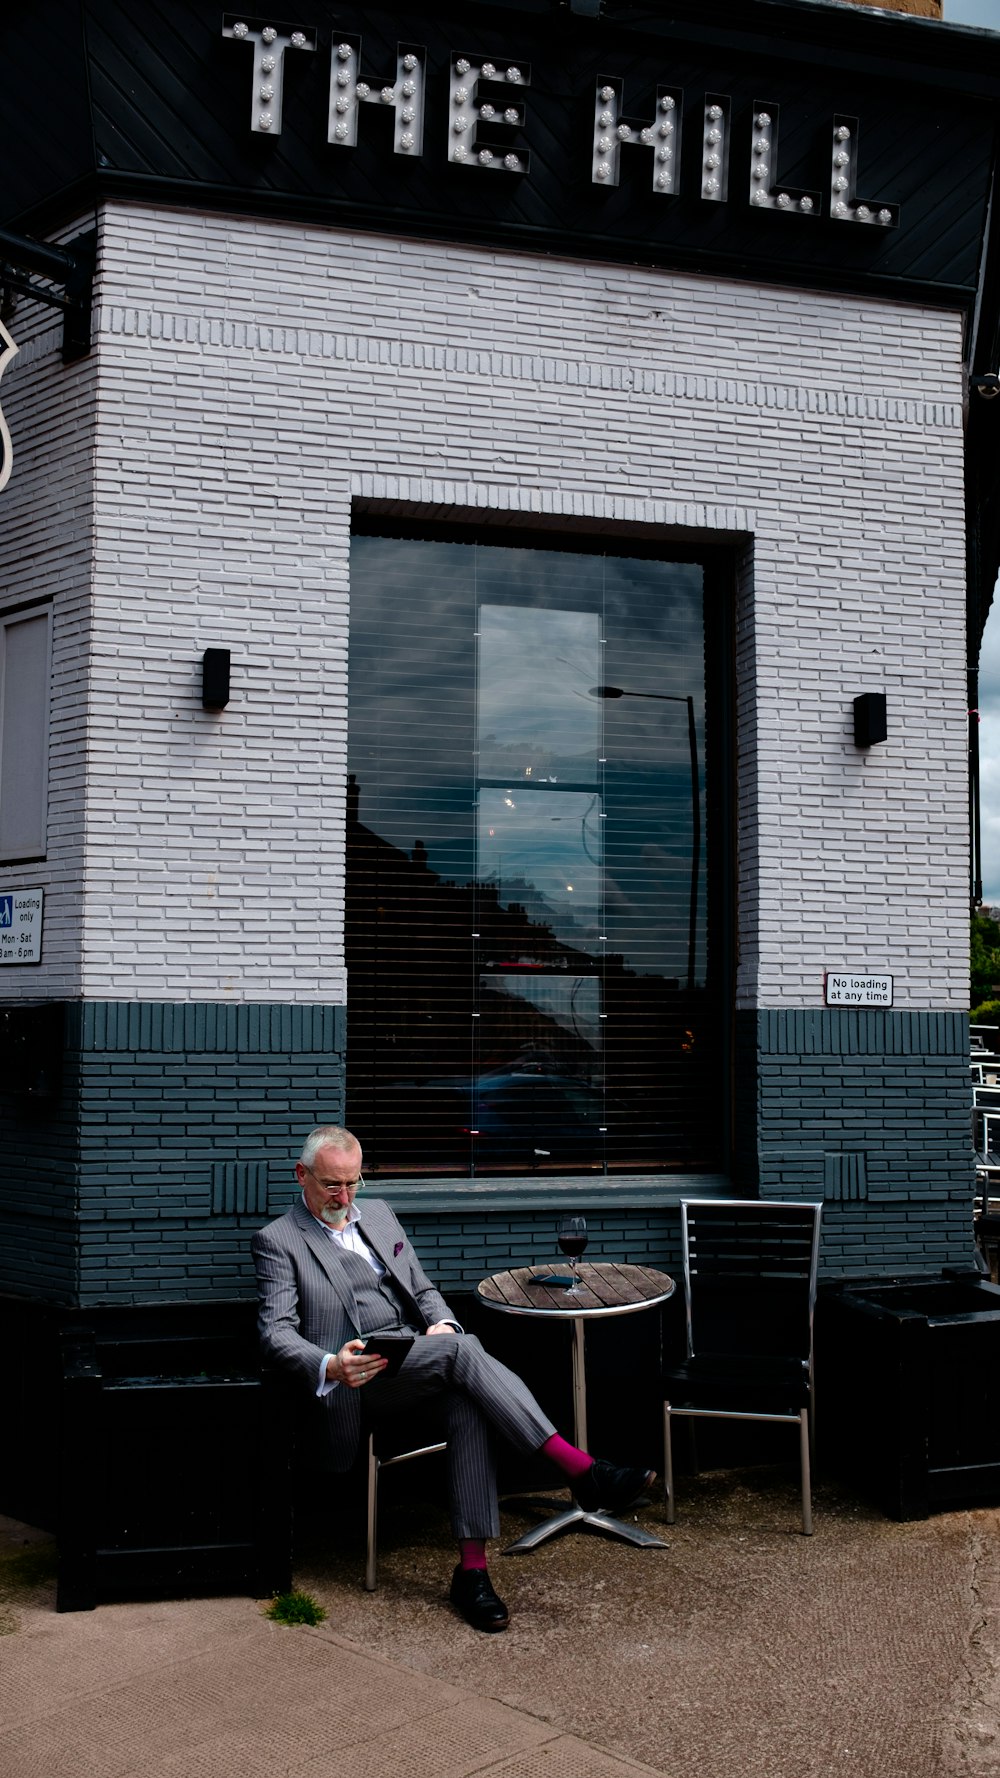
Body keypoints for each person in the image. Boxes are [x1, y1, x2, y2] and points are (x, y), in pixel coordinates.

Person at [253, 1124, 656, 1632]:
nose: (345, 1196)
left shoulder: (376, 1215)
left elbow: (423, 1290)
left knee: (466, 1398)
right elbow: (275, 1333)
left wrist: (441, 1322)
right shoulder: (278, 1241)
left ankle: (472, 1571)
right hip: (359, 1379)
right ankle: (581, 1470)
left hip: (417, 1355)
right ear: (302, 1175)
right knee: (462, 1353)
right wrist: (330, 1364)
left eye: (354, 1183)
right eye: (333, 1185)